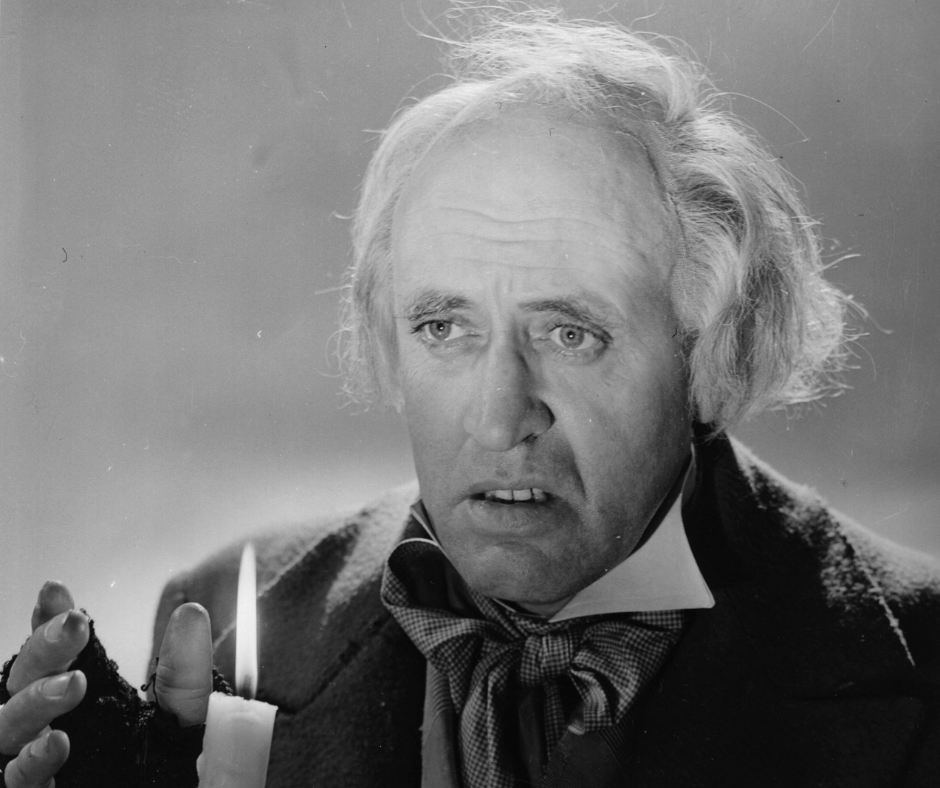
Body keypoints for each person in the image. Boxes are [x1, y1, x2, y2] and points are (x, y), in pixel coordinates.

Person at [2, 8, 939, 787]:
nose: (497, 421)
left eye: (570, 334)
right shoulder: (225, 621)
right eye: (444, 329)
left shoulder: (923, 662)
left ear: (710, 356)